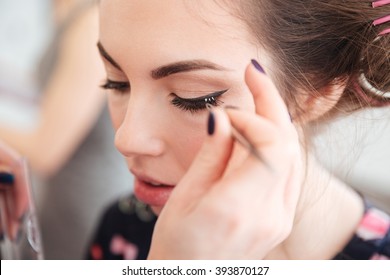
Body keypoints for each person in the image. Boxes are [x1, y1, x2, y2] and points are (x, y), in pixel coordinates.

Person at [86, 0, 390, 260]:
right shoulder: (126, 226)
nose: (126, 139)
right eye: (116, 82)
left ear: (316, 92)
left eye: (192, 98)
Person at [0, 0, 132, 259]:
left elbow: (45, 150)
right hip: (59, 199)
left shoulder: (91, 24)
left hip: (89, 207)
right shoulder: (62, 9)